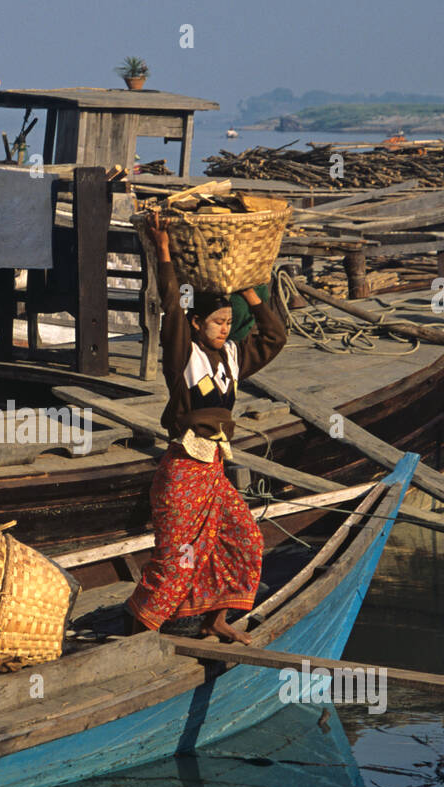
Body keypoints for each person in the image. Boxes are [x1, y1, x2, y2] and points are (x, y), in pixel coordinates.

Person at [126, 213, 288, 644]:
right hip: (182, 470)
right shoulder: (183, 354)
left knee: (245, 538)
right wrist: (163, 252)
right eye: (217, 322)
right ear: (197, 324)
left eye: (227, 323)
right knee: (178, 560)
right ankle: (138, 627)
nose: (224, 328)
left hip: (213, 470)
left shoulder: (234, 358)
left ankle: (215, 617)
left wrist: (252, 295)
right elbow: (172, 303)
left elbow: (274, 338)